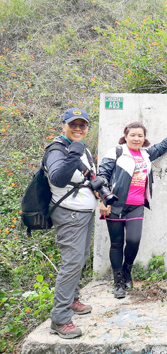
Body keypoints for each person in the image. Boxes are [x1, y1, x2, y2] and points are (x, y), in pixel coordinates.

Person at [98, 115, 167, 299]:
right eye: (132, 135)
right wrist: (102, 201)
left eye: (140, 135)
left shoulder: (146, 154)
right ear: (126, 136)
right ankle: (118, 283)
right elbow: (102, 177)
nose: (136, 138)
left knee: (133, 240)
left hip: (136, 206)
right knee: (116, 244)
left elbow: (162, 147)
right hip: (114, 205)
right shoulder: (116, 152)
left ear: (144, 138)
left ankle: (127, 270)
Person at [45, 108, 97, 339]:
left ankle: (73, 298)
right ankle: (60, 319)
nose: (78, 129)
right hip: (69, 215)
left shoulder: (82, 148)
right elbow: (58, 178)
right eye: (73, 124)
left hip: (83, 213)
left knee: (80, 259)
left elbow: (86, 177)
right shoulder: (57, 150)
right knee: (71, 263)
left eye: (82, 125)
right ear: (63, 126)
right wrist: (74, 152)